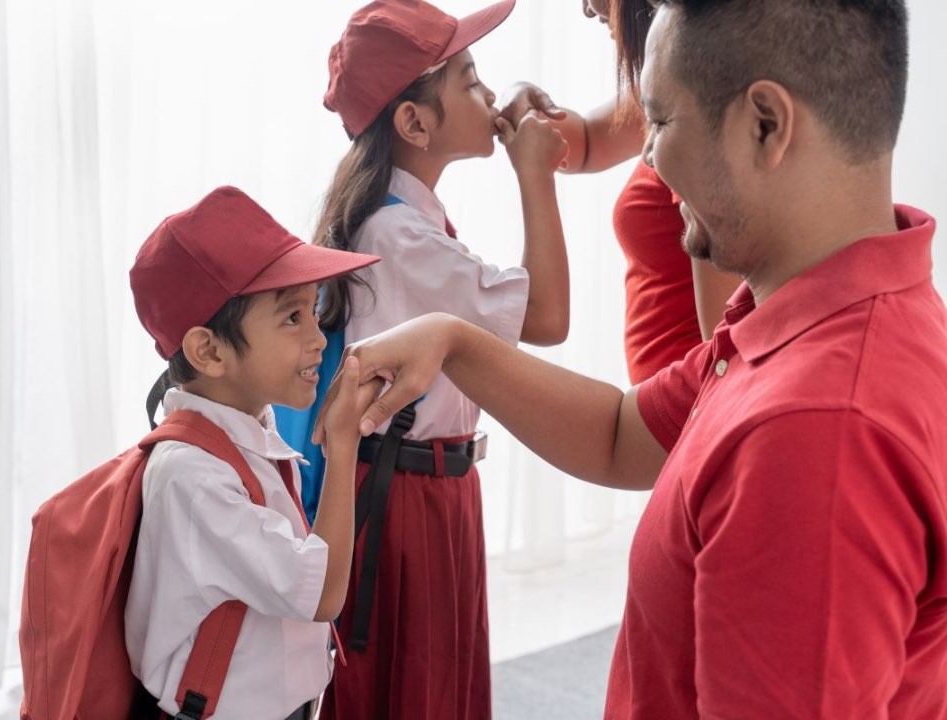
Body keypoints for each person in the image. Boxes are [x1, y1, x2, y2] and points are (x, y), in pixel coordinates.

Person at [317, 0, 947, 717]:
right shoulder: (794, 324)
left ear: (765, 126)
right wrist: (455, 341)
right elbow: (620, 433)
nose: (647, 157)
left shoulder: (814, 433)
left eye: (663, 123)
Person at [312, 1, 570, 717]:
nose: (489, 97)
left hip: (431, 489)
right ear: (415, 124)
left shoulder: (404, 221)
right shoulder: (400, 237)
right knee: (423, 692)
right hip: (410, 503)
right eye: (470, 80)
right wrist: (534, 176)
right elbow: (548, 317)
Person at [124, 186, 383, 720]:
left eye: (313, 311)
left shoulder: (249, 430)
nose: (317, 338)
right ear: (210, 350)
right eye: (292, 318)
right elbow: (323, 595)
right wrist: (342, 444)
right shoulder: (192, 474)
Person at [501, 0, 741, 383]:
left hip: (693, 411)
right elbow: (588, 143)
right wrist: (519, 96)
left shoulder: (697, 108)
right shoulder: (667, 89)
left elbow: (726, 338)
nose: (585, 9)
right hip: (671, 411)